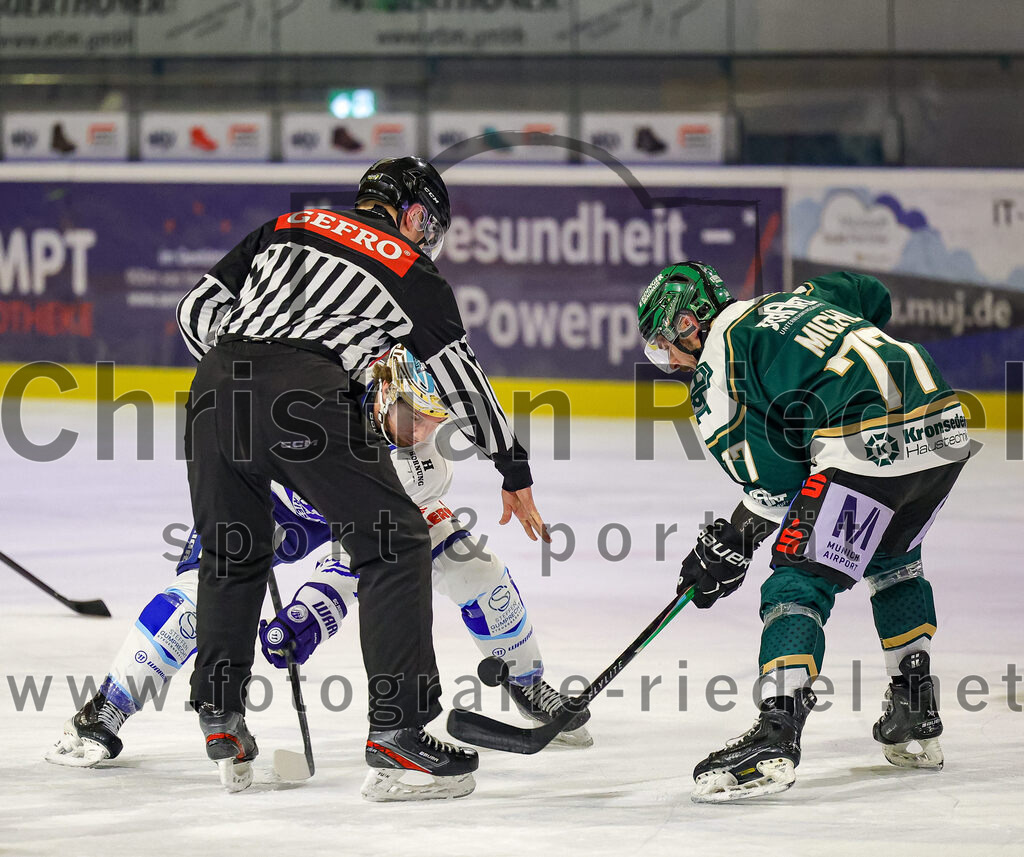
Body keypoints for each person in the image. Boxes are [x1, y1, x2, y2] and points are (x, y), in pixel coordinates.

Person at [46, 347, 591, 795]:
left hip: (341, 513)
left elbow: (368, 558)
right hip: (275, 501)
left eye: (432, 419)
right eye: (412, 413)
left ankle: (526, 680)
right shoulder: (318, 400)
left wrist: (310, 615)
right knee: (197, 601)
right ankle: (108, 707)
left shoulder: (422, 465)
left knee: (476, 570)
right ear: (381, 394)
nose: (421, 430)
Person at [176, 156, 547, 798]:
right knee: (396, 542)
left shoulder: (286, 225)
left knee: (232, 552)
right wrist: (511, 464)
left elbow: (195, 309)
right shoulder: (411, 268)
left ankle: (222, 715)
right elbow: (461, 377)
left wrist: (243, 368)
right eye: (427, 223)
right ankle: (398, 733)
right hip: (308, 396)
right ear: (408, 211)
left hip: (215, 389)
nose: (427, 237)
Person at [637, 262, 971, 803]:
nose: (667, 363)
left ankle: (777, 730)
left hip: (868, 442)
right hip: (944, 428)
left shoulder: (717, 370)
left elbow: (772, 483)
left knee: (797, 579)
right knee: (892, 558)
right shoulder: (806, 297)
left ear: (689, 325)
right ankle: (914, 705)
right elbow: (870, 293)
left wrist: (733, 541)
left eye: (661, 346)